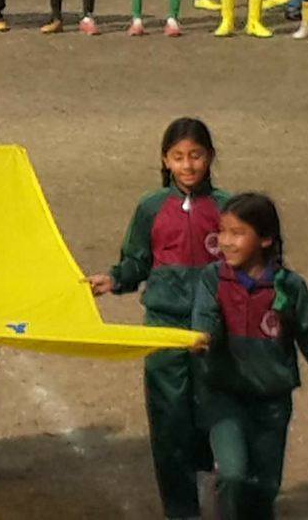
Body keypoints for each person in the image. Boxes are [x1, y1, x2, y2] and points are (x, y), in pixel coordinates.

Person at [88, 117, 229, 520]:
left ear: (210, 157)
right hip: (164, 326)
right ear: (166, 160)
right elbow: (137, 261)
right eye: (178, 157)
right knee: (169, 418)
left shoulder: (227, 207)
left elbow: (247, 262)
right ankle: (180, 510)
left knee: (211, 411)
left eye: (196, 156)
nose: (188, 165)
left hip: (214, 329)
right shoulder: (151, 208)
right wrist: (115, 279)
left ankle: (209, 479)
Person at [192, 193, 308, 519]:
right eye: (222, 231)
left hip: (272, 402)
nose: (225, 241)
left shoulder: (290, 287)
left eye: (237, 233)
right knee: (232, 474)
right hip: (224, 396)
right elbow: (204, 321)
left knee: (264, 488)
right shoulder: (213, 279)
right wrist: (202, 337)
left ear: (266, 239)